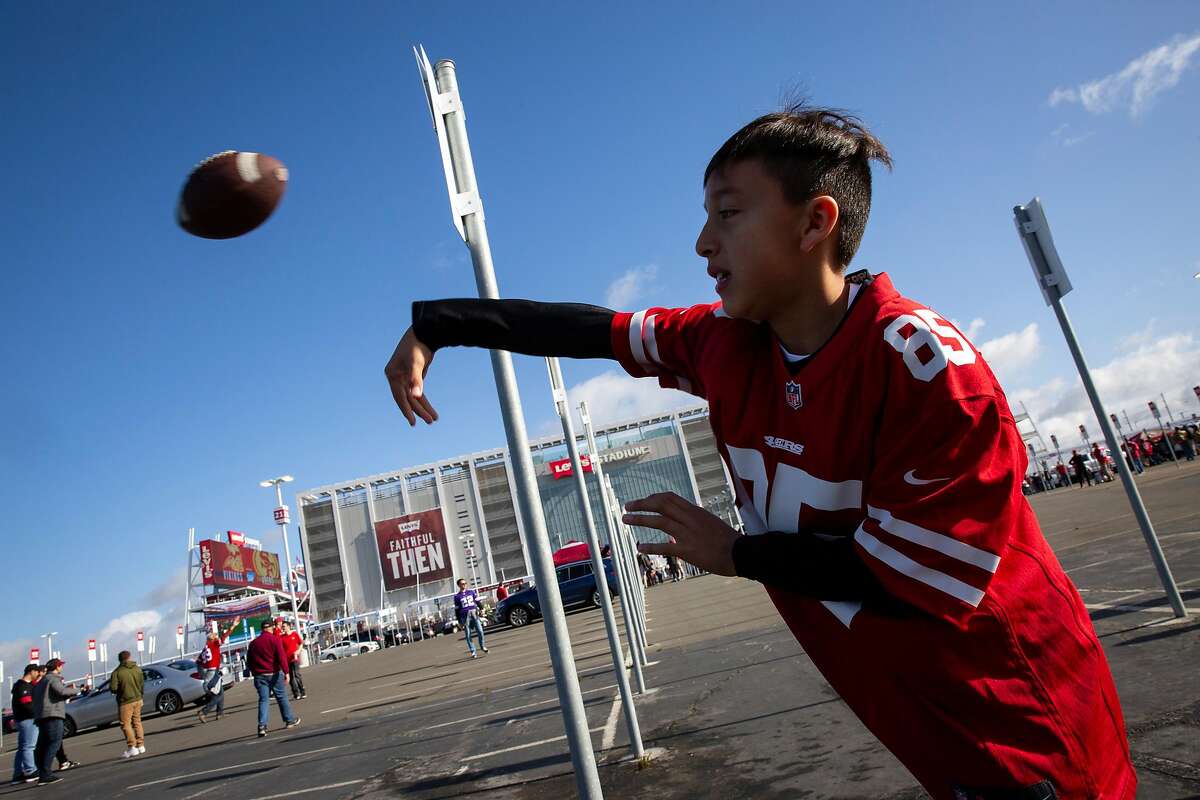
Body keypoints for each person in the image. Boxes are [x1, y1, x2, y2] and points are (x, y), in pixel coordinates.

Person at [384, 104, 1135, 798]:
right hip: (924, 730)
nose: (703, 242)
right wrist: (438, 323)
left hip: (1029, 735)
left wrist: (735, 553)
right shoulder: (725, 345)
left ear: (815, 223)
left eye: (728, 214)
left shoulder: (928, 371)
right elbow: (591, 330)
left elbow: (894, 578)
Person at [246, 620, 300, 737]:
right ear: (270, 628)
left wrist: (254, 672)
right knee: (281, 697)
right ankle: (289, 720)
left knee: (264, 700)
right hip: (274, 673)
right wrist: (286, 672)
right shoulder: (275, 640)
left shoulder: (253, 643)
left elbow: (249, 661)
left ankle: (262, 726)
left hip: (260, 675)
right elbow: (281, 657)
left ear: (261, 629)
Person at [32, 658, 76, 786]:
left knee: (42, 746)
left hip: (41, 716)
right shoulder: (53, 678)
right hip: (53, 715)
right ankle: (46, 774)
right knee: (54, 743)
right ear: (57, 667)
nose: (62, 667)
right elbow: (61, 691)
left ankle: (42, 772)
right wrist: (76, 690)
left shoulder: (41, 681)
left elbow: (52, 695)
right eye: (61, 665)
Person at [196, 616, 240, 723]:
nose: (217, 637)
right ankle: (203, 712)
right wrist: (233, 625)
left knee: (220, 692)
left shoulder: (205, 648)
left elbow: (198, 662)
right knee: (217, 695)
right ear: (213, 638)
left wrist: (202, 675)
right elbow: (225, 636)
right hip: (213, 672)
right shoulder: (215, 644)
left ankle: (220, 713)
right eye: (216, 636)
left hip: (209, 672)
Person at [110, 650, 145, 758]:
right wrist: (140, 694)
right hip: (138, 698)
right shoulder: (137, 668)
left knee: (125, 725)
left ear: (119, 660)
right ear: (129, 657)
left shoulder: (117, 672)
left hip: (125, 701)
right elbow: (142, 683)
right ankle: (141, 745)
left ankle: (132, 747)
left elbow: (113, 688)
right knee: (137, 722)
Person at [10, 664, 41, 784]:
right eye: (37, 672)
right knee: (29, 746)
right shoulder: (24, 686)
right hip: (28, 719)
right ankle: (30, 770)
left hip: (22, 719)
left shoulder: (20, 685)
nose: (38, 675)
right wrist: (37, 714)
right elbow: (27, 704)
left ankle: (18, 774)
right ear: (31, 671)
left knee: (22, 747)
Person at [453, 578, 488, 658]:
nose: (464, 585)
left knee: (480, 631)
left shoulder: (471, 592)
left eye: (465, 583)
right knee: (468, 634)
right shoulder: (457, 596)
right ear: (459, 585)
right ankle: (473, 651)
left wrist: (482, 609)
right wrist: (459, 621)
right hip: (465, 616)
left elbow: (477, 601)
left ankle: (482, 646)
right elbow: (457, 609)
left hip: (474, 614)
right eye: (462, 583)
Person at [280, 620, 307, 700]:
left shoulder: (294, 634)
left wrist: (298, 651)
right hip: (286, 660)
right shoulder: (281, 638)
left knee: (297, 675)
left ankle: (302, 691)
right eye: (282, 627)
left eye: (284, 626)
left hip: (294, 658)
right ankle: (296, 693)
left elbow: (301, 643)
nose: (283, 628)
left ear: (288, 626)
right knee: (291, 677)